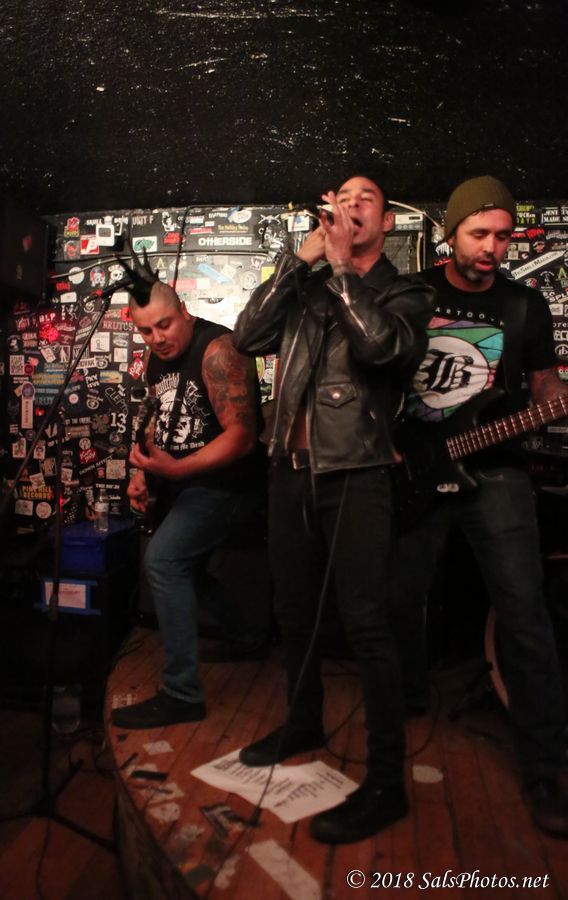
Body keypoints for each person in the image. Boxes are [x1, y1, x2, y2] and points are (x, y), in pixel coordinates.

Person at [232, 175, 433, 844]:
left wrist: (344, 269)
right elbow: (247, 336)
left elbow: (380, 348)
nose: (349, 205)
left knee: (367, 624)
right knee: (293, 612)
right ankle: (303, 721)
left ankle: (385, 781)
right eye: (341, 197)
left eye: (365, 198)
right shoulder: (309, 287)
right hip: (288, 472)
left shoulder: (406, 291)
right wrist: (303, 260)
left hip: (357, 471)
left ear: (387, 221)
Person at [389, 175, 568, 838]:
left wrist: (556, 399)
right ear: (451, 233)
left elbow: (545, 386)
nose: (491, 246)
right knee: (401, 597)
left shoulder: (525, 306)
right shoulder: (412, 294)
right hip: (411, 465)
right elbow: (376, 377)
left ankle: (545, 767)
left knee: (523, 613)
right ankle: (405, 702)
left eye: (502, 235)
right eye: (478, 233)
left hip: (494, 470)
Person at [111, 252, 266, 730]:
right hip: (186, 484)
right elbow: (159, 420)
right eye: (146, 331)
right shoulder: (157, 361)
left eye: (164, 325)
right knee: (186, 568)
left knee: (162, 561)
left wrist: (176, 471)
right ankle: (248, 637)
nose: (158, 338)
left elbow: (242, 437)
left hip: (229, 486)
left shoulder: (218, 349)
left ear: (184, 310)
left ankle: (182, 694)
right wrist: (144, 472)